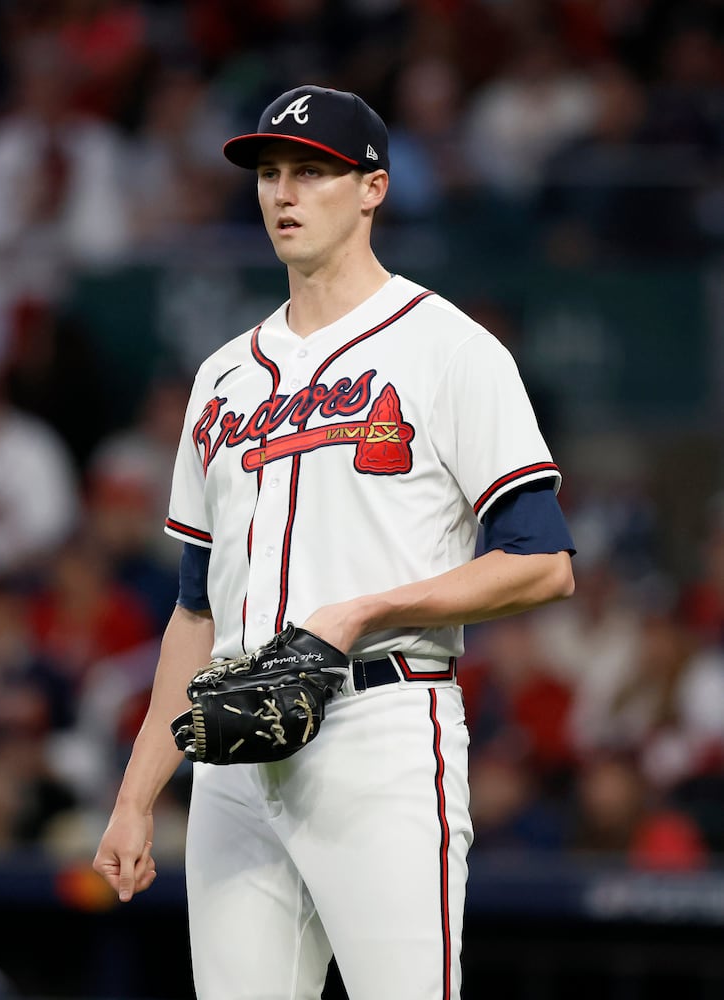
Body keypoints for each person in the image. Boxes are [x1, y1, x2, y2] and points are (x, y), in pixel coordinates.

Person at [93, 84, 576, 1000]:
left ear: (372, 189)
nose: (283, 192)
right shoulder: (223, 375)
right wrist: (135, 796)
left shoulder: (449, 348)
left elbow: (542, 563)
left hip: (380, 728)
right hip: (232, 754)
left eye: (312, 172)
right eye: (270, 173)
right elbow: (194, 610)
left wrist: (363, 611)